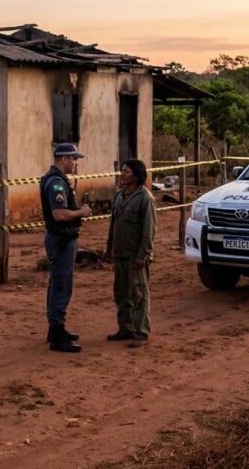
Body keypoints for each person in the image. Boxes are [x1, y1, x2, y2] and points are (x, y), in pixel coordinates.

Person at [40, 143, 93, 352]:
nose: (75, 163)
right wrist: (80, 212)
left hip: (61, 239)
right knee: (62, 286)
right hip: (62, 240)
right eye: (73, 159)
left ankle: (55, 329)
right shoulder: (55, 183)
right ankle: (57, 334)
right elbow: (59, 214)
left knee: (57, 285)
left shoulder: (56, 180)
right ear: (63, 159)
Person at [104, 158, 156, 348]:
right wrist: (109, 248)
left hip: (136, 256)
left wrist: (143, 255)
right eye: (122, 171)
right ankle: (125, 327)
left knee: (139, 294)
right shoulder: (119, 196)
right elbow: (113, 224)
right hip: (120, 253)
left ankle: (141, 332)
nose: (122, 174)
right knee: (121, 292)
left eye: (125, 171)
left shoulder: (145, 198)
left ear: (135, 175)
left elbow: (148, 230)